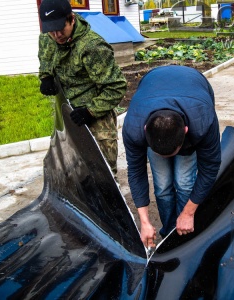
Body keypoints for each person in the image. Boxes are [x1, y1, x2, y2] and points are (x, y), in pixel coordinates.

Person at [122, 65, 221, 248]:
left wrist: (189, 213)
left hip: (194, 86)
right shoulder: (133, 127)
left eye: (171, 152)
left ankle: (183, 232)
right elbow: (136, 172)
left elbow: (210, 167)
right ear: (146, 131)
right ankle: (169, 233)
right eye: (158, 152)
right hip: (152, 85)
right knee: (162, 186)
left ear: (185, 132)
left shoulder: (203, 120)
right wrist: (144, 221)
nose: (165, 157)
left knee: (183, 182)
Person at [38, 0, 127, 176]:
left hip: (95, 114)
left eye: (60, 29)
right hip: (68, 113)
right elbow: (46, 55)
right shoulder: (48, 37)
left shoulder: (92, 46)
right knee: (73, 171)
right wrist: (46, 75)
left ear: (71, 19)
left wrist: (90, 111)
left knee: (103, 174)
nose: (56, 35)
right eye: (51, 31)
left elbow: (116, 87)